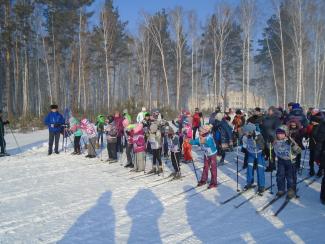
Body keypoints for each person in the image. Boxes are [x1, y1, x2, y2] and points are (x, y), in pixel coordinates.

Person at [273, 125, 302, 199]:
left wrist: (292, 145)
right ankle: (281, 189)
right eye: (278, 133)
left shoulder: (290, 140)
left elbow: (299, 151)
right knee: (280, 175)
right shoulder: (275, 141)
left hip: (290, 161)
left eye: (281, 133)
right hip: (281, 160)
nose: (279, 135)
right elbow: (272, 148)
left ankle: (291, 190)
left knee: (290, 177)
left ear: (286, 133)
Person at [190, 125, 218, 189]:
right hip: (206, 154)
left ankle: (214, 182)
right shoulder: (202, 136)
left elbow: (205, 142)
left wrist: (198, 141)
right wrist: (189, 141)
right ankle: (203, 180)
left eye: (200, 131)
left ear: (205, 131)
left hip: (212, 155)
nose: (199, 132)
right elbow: (196, 141)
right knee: (205, 167)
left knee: (213, 168)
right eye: (199, 131)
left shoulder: (209, 137)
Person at [242, 123, 266, 195]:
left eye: (245, 132)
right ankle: (249, 183)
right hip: (251, 154)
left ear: (250, 131)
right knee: (249, 169)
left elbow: (262, 146)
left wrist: (257, 140)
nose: (244, 133)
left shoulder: (259, 135)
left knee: (260, 169)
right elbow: (244, 146)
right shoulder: (245, 137)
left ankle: (261, 185)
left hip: (259, 154)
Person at [261, 106, 281, 172]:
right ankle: (272, 165)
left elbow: (277, 129)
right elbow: (263, 125)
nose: (268, 111)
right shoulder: (266, 117)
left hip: (272, 138)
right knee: (268, 152)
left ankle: (271, 166)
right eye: (268, 110)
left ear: (273, 111)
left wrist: (275, 138)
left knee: (271, 153)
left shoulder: (276, 118)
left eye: (269, 110)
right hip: (265, 136)